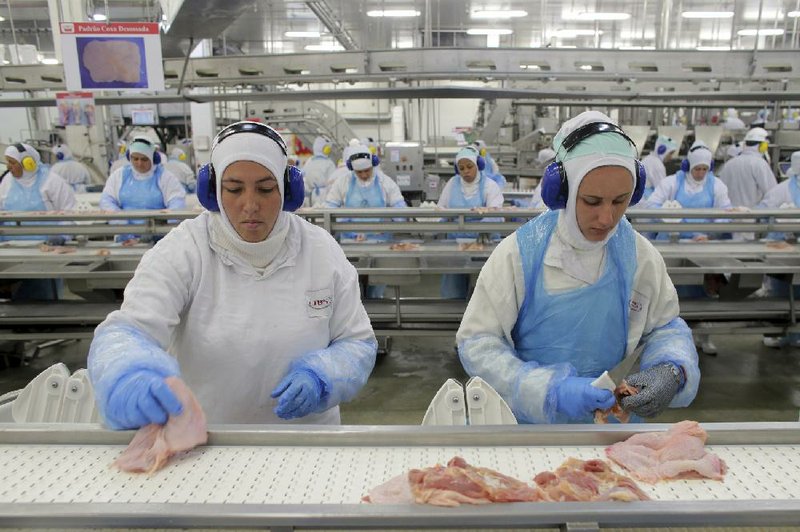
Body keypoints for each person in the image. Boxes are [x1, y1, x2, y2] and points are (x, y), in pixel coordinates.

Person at [87, 121, 377, 428]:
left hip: (307, 441)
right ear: (212, 191)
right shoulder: (185, 250)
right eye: (234, 189)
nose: (250, 205)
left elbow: (357, 342)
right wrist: (127, 373)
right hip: (209, 442)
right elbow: (129, 331)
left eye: (266, 189)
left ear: (287, 189)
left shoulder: (320, 251)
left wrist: (325, 375)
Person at [456, 111, 699, 424]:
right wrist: (550, 391)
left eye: (620, 200)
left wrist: (671, 367)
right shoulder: (520, 254)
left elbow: (665, 326)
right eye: (592, 201)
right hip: (530, 428)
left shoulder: (639, 255)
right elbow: (478, 343)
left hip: (612, 426)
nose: (607, 219)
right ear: (562, 192)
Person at [324, 143, 407, 298]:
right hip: (351, 243)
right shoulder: (344, 182)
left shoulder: (384, 182)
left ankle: (376, 314)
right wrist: (342, 221)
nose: (363, 175)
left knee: (377, 283)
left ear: (373, 165)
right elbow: (329, 207)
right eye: (359, 172)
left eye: (366, 171)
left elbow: (399, 207)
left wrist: (395, 220)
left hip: (379, 242)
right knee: (350, 286)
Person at [1, 143, 76, 300]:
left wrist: (62, 235)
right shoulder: (7, 182)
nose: (9, 167)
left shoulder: (51, 181)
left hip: (45, 249)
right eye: (7, 162)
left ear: (28, 162)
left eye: (13, 162)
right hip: (13, 249)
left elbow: (71, 211)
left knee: (44, 293)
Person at [437, 147, 505, 299]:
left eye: (469, 167)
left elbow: (497, 214)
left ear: (478, 165)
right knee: (453, 287)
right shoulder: (452, 184)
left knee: (484, 289)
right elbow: (441, 209)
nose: (465, 171)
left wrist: (482, 227)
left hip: (483, 242)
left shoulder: (489, 185)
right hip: (456, 242)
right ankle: (454, 315)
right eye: (461, 168)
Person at [100, 136, 187, 242]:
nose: (139, 163)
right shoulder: (120, 175)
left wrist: (162, 224)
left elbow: (177, 203)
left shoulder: (165, 177)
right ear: (129, 157)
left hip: (159, 239)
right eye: (135, 159)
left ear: (153, 158)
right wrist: (123, 224)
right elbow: (106, 201)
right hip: (126, 239)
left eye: (144, 159)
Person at [645, 140, 732, 240]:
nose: (701, 173)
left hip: (703, 242)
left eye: (705, 169)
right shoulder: (672, 182)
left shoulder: (717, 185)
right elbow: (650, 205)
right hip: (672, 240)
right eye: (697, 169)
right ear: (688, 166)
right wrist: (668, 217)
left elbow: (725, 213)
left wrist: (710, 235)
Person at [719, 127, 777, 208]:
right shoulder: (759, 164)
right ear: (763, 146)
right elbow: (773, 193)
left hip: (729, 215)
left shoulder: (729, 164)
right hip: (751, 215)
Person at [302, 136, 336, 207]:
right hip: (325, 194)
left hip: (311, 195)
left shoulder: (309, 161)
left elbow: (303, 178)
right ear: (325, 149)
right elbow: (332, 182)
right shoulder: (329, 163)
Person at [641, 136, 678, 200]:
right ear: (662, 150)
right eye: (670, 153)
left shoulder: (648, 158)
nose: (671, 157)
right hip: (646, 202)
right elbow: (663, 190)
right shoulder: (657, 165)